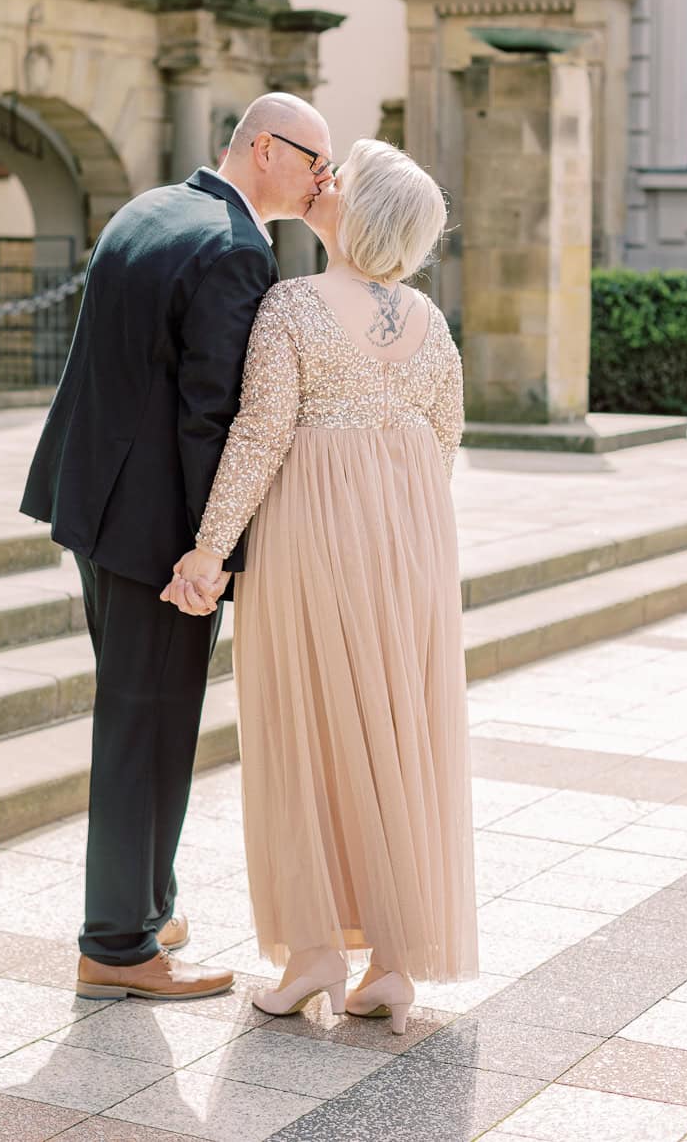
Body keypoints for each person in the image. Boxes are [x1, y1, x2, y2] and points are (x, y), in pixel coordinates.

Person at [20, 93, 334, 1002]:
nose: (323, 180)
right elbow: (213, 416)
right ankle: (118, 945)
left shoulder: (151, 206)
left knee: (141, 720)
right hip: (157, 531)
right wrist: (215, 552)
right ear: (266, 148)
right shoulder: (238, 248)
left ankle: (144, 899)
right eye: (314, 160)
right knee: (147, 732)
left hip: (92, 504)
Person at [163, 139, 477, 1033]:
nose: (325, 182)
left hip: (314, 535)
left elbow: (259, 435)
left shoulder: (294, 304)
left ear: (362, 209)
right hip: (412, 540)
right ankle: (392, 963)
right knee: (397, 730)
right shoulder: (432, 322)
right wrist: (401, 519)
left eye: (343, 178)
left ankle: (312, 956)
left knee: (304, 726)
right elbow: (444, 438)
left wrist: (209, 549)